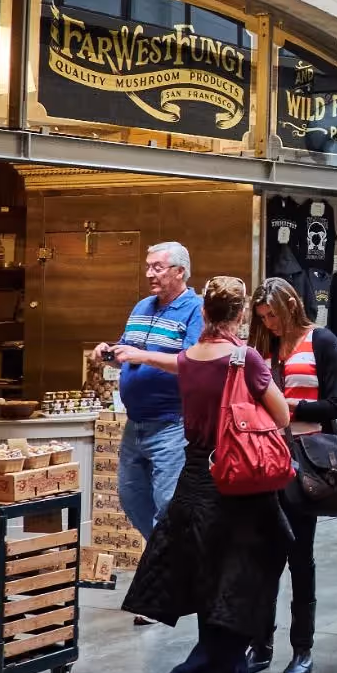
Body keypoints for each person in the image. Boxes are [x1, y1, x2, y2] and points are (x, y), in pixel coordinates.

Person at [120, 276, 293, 673]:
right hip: (236, 481)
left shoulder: (189, 358)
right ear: (240, 314)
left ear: (204, 312)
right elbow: (281, 414)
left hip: (193, 478)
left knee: (212, 579)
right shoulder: (243, 358)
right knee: (251, 576)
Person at [98, 243, 204, 625]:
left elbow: (192, 363)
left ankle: (162, 595)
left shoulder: (195, 309)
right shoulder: (142, 307)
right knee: (132, 498)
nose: (149, 274)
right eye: (148, 267)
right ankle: (175, 567)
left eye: (157, 267)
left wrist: (141, 357)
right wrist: (110, 353)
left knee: (167, 508)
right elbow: (130, 352)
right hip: (135, 424)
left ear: (179, 271)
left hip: (171, 424)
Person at [254, 276, 337, 673]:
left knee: (299, 555)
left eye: (273, 315)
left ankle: (302, 647)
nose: (269, 323)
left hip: (305, 460)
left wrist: (288, 407)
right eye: (263, 317)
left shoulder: (321, 341)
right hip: (265, 458)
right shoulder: (264, 347)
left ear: (290, 306)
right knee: (263, 556)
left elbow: (334, 404)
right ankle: (260, 643)